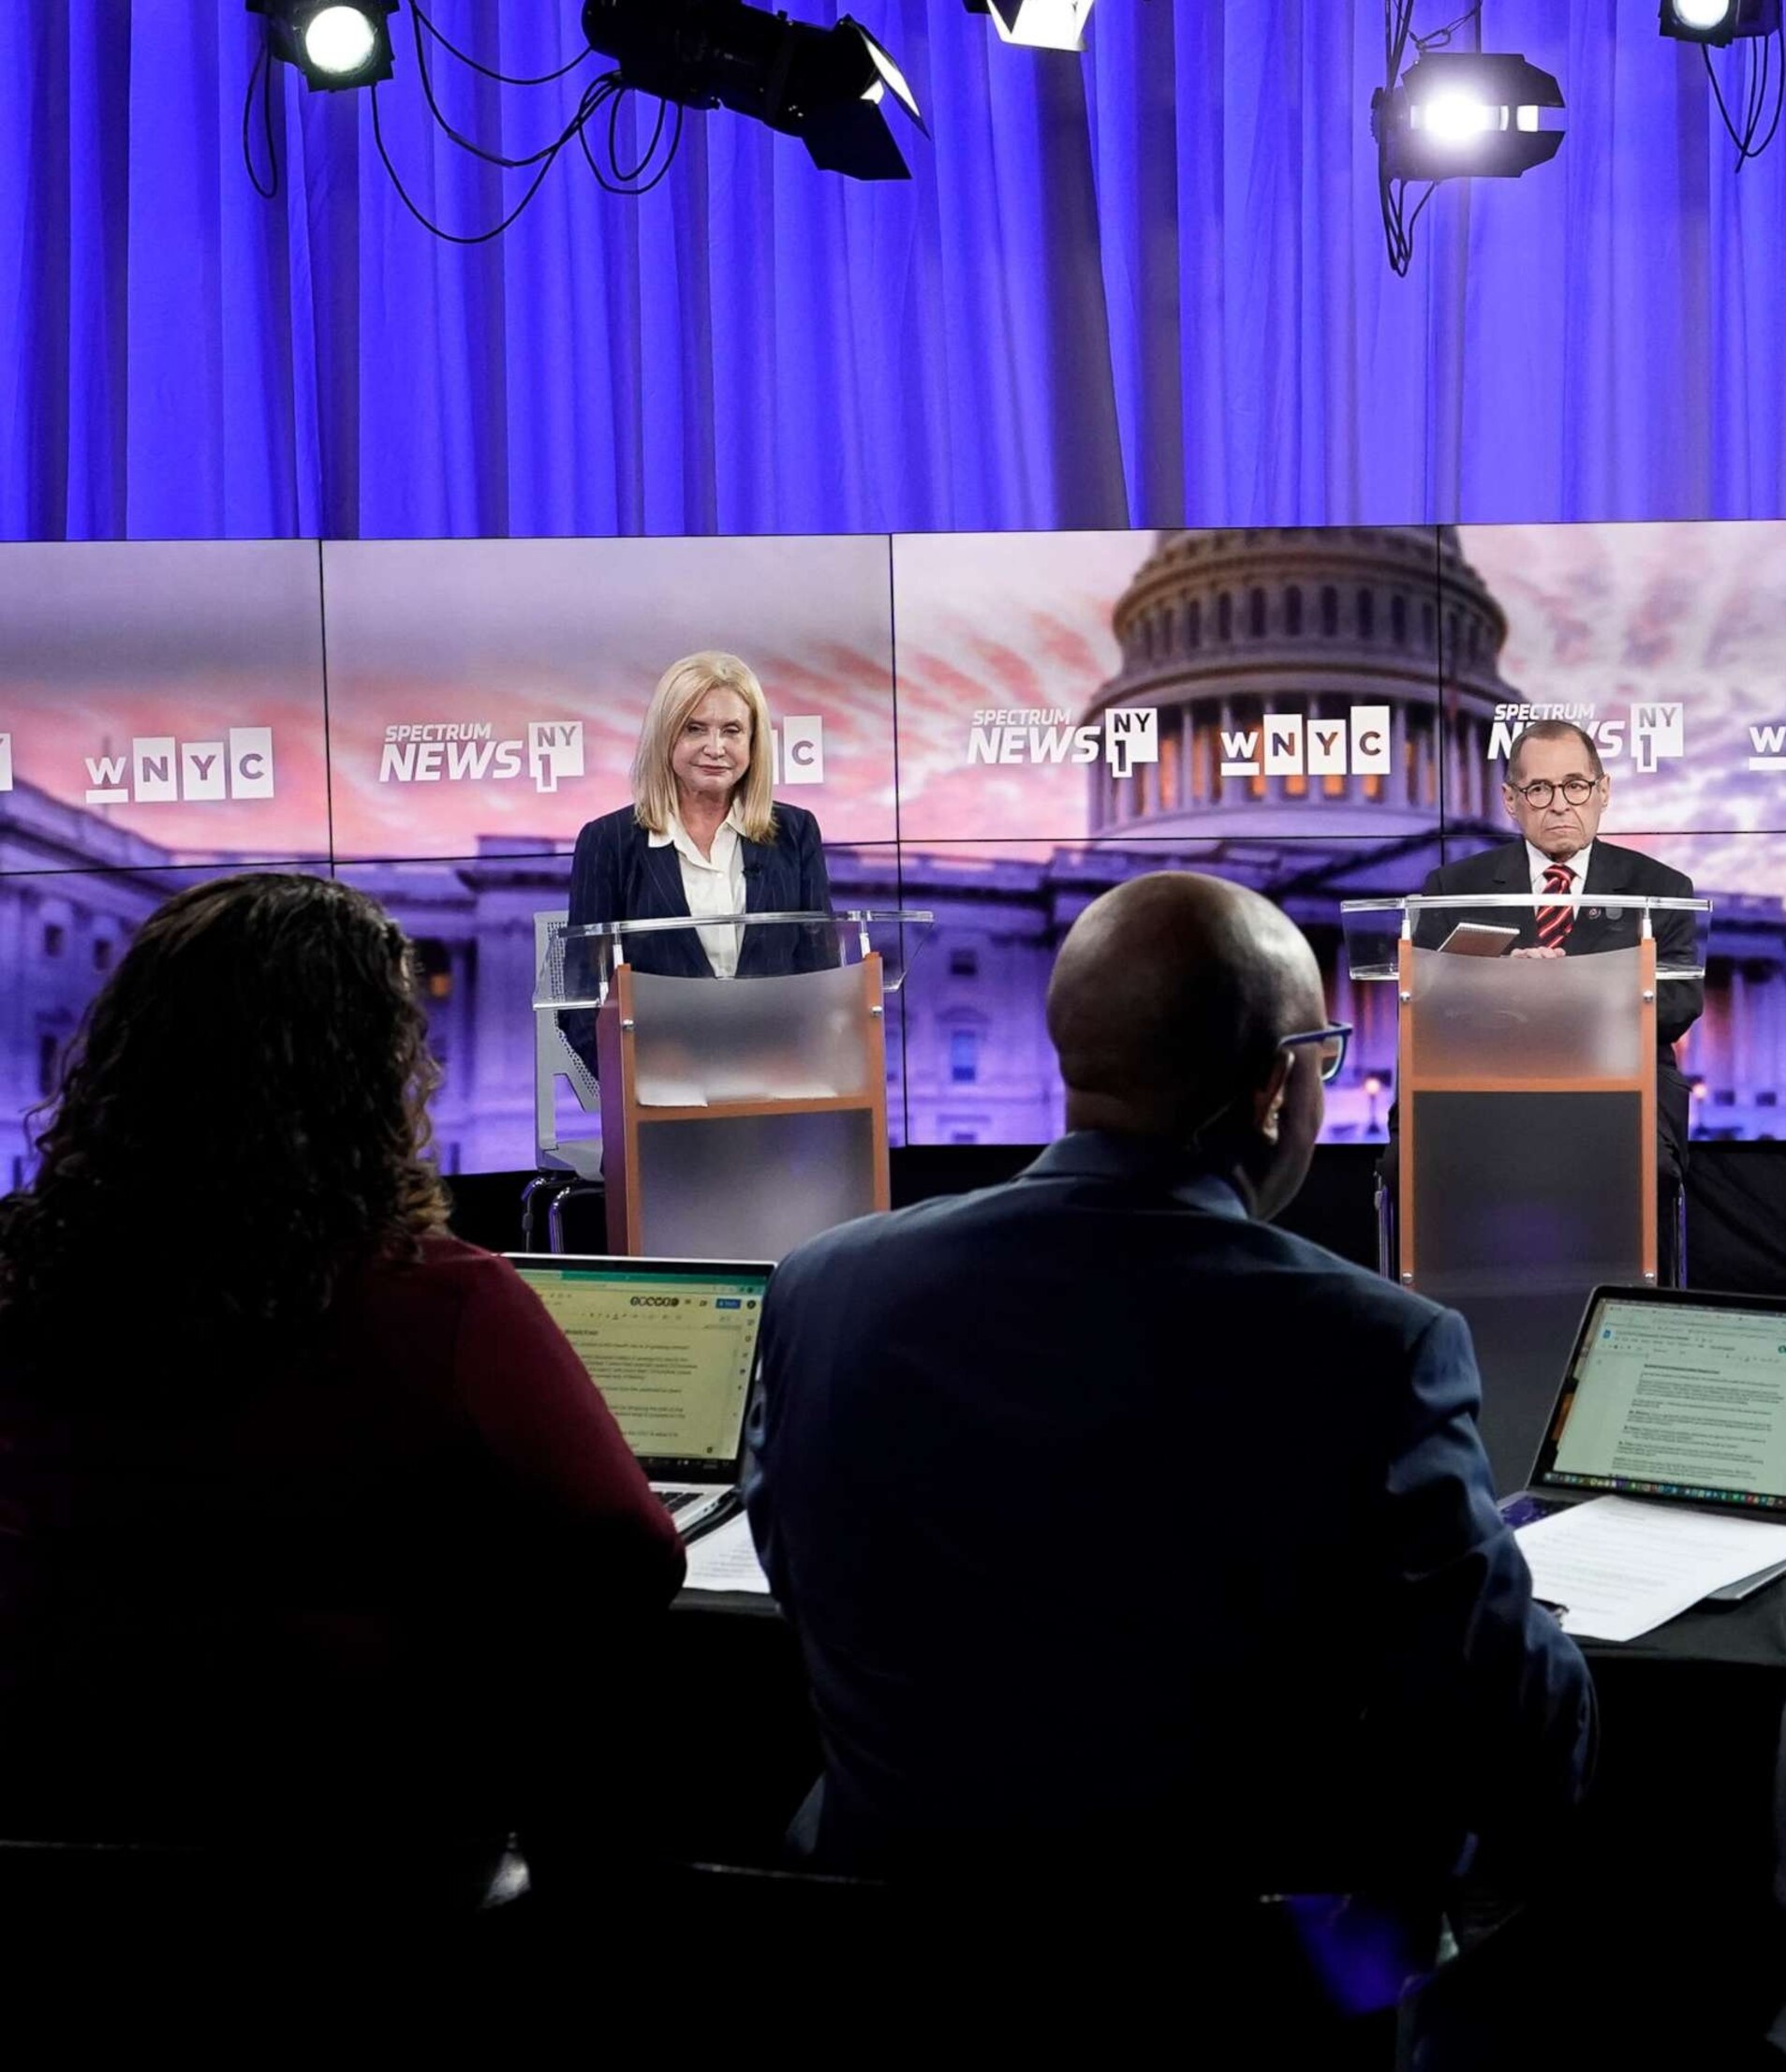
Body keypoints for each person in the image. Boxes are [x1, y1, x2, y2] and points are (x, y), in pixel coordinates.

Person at [745, 872, 1594, 1902]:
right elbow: (1514, 1727)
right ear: (1276, 1087)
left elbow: (802, 1579)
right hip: (1261, 1982)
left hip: (889, 1949)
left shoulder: (821, 1289)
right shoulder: (1377, 1348)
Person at [0, 875, 684, 1905]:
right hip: (365, 1852)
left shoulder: (17, 1275)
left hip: (51, 1813)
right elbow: (630, 1556)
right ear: (375, 1073)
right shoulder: (445, 1297)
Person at [1413, 718, 1704, 1180]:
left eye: (1575, 786)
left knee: (1649, 1169)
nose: (1560, 806)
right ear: (1511, 800)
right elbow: (1423, 1006)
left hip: (1621, 1085)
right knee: (1411, 1166)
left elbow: (1679, 1002)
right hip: (1488, 1085)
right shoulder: (1454, 888)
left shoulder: (1659, 888)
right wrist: (1504, 980)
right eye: (1540, 790)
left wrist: (1576, 989)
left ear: (1603, 791)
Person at [565, 650, 834, 989]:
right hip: (655, 1042)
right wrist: (639, 1044)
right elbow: (583, 996)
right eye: (695, 729)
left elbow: (823, 976)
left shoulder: (796, 833)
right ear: (666, 737)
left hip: (774, 1041)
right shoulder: (607, 841)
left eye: (732, 730)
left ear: (753, 742)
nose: (715, 747)